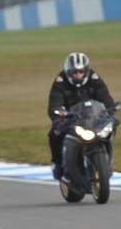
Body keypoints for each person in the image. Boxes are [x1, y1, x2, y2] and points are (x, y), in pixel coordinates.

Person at [47, 52, 115, 180]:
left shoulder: (94, 79)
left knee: (112, 125)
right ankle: (57, 163)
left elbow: (105, 97)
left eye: (81, 72)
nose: (78, 75)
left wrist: (110, 110)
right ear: (68, 72)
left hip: (92, 118)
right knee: (54, 133)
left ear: (86, 71)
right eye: (75, 72)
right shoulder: (60, 82)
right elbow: (54, 102)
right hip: (71, 118)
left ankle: (108, 161)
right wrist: (59, 114)